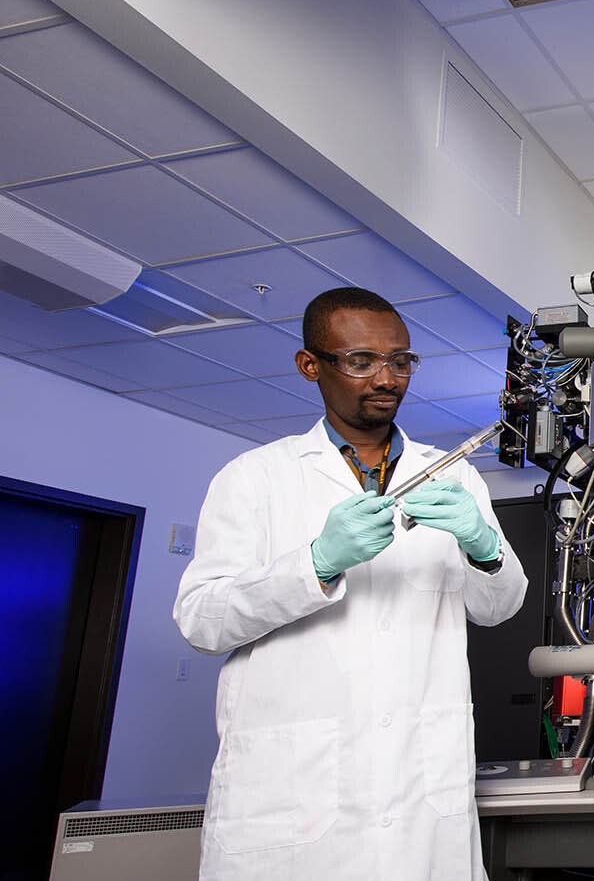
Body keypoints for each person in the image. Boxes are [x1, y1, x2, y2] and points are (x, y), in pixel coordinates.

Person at [174, 287, 527, 880]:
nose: (386, 378)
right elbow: (202, 621)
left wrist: (483, 545)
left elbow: (498, 606)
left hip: (419, 796)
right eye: (361, 361)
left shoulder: (455, 476)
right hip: (293, 802)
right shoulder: (254, 478)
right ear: (311, 365)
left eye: (401, 360)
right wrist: (315, 564)